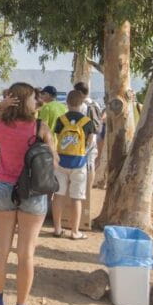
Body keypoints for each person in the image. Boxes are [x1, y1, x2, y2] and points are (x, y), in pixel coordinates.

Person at [0, 82, 57, 305]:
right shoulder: (40, 128)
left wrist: (1, 104)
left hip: (5, 188)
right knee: (26, 254)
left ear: (11, 100)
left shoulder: (1, 125)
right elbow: (53, 162)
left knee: (1, 249)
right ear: (30, 101)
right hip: (33, 192)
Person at [51, 90, 95, 240]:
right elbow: (90, 143)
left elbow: (56, 138)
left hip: (61, 162)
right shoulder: (87, 122)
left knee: (58, 196)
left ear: (67, 103)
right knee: (77, 198)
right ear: (81, 103)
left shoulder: (61, 120)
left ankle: (57, 228)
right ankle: (75, 231)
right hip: (79, 163)